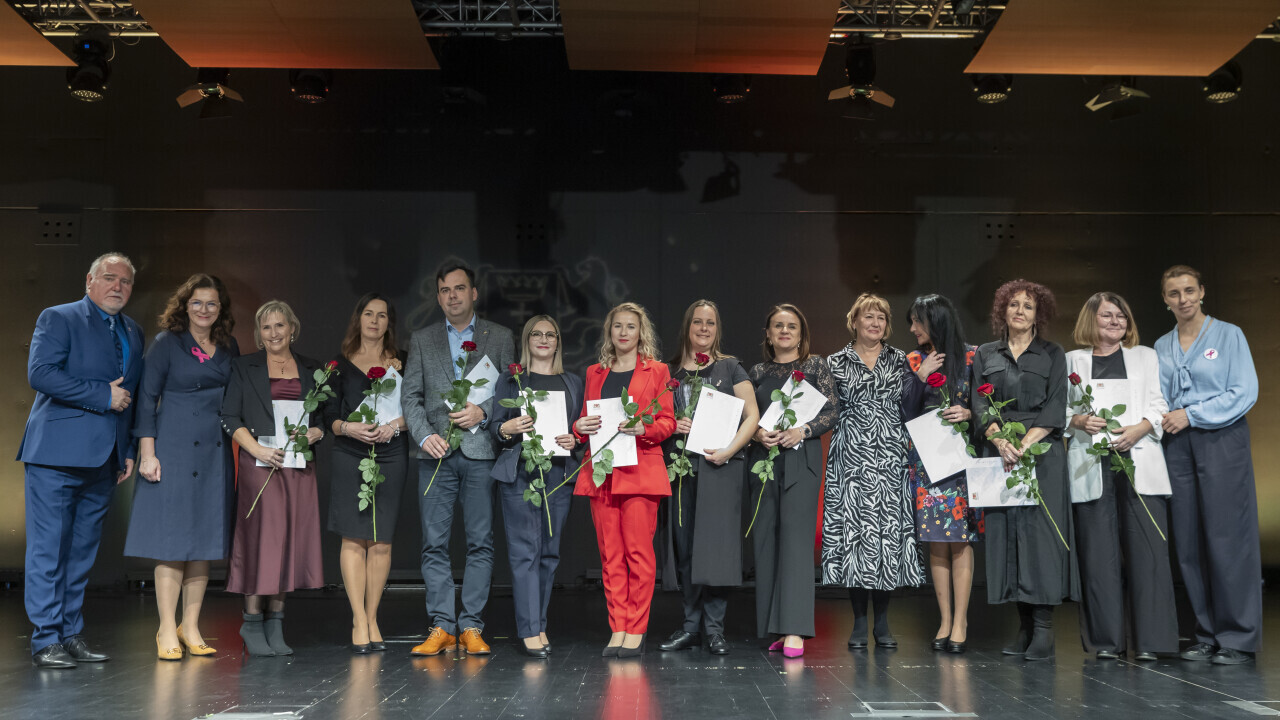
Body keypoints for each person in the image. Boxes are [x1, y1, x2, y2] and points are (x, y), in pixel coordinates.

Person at [18, 252, 144, 669]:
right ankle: (45, 639)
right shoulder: (59, 317)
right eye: (109, 278)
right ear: (89, 281)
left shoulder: (133, 331)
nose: (117, 286)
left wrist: (127, 450)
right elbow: (41, 373)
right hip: (55, 456)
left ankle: (70, 634)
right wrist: (101, 395)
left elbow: (132, 396)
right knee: (49, 550)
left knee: (81, 553)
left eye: (125, 281)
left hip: (105, 460)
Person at [402, 260, 515, 656]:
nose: (452, 296)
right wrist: (424, 435)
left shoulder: (499, 337)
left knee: (480, 542)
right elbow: (410, 397)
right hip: (435, 453)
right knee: (434, 543)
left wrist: (483, 413)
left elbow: (511, 394)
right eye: (445, 290)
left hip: (481, 452)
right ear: (438, 298)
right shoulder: (422, 339)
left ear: (474, 293)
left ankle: (471, 626)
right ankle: (441, 626)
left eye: (459, 288)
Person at [125, 274, 239, 661]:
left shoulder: (228, 345)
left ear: (220, 309)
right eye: (197, 303)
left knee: (203, 542)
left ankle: (189, 626)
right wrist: (148, 453)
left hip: (213, 453)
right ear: (185, 306)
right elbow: (146, 399)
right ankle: (164, 627)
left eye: (211, 303)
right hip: (172, 450)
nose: (204, 310)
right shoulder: (166, 343)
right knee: (172, 541)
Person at [1155, 265, 1260, 665]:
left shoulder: (1229, 335)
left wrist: (1192, 414)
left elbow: (1244, 391)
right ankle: (1205, 633)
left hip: (1221, 439)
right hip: (1177, 445)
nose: (1183, 299)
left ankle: (1238, 636)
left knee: (1228, 537)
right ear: (1165, 300)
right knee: (1189, 540)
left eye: (1189, 290)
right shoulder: (1162, 345)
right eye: (1174, 293)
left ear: (1202, 292)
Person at [1065, 291, 1176, 662]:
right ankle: (1106, 642)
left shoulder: (1145, 356)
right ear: (1091, 320)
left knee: (1149, 553)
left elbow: (1159, 404)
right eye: (1107, 315)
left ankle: (1151, 641)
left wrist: (1141, 428)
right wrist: (1078, 420)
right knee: (1098, 558)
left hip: (1140, 461)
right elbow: (1060, 411)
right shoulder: (1072, 360)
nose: (1115, 322)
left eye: (1121, 316)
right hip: (1091, 466)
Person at [972, 279, 1079, 661]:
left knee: (1041, 539)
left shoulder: (1052, 353)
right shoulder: (986, 353)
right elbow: (979, 404)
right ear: (1002, 310)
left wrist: (1024, 443)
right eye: (1014, 304)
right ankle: (1024, 626)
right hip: (1001, 453)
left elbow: (1055, 405)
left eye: (1028, 306)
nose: (1020, 311)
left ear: (1039, 315)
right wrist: (1001, 441)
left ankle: (1044, 629)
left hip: (1041, 453)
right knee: (1009, 537)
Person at [220, 300, 326, 657]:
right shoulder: (243, 366)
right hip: (260, 466)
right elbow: (229, 416)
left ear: (292, 328)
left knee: (288, 543)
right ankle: (251, 621)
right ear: (259, 333)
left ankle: (276, 622)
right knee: (260, 541)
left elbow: (323, 419)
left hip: (298, 467)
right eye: (266, 327)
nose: (274, 333)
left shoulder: (312, 369)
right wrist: (258, 450)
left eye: (280, 325)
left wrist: (315, 433)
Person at [657, 300, 760, 657]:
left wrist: (730, 450)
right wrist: (673, 425)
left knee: (716, 551)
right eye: (698, 322)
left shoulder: (730, 367)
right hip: (681, 469)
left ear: (718, 329)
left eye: (711, 323)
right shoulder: (669, 372)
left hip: (720, 467)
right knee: (685, 548)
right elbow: (656, 417)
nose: (704, 328)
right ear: (687, 327)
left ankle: (714, 630)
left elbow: (752, 416)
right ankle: (690, 627)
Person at [572, 302, 675, 657]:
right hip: (602, 472)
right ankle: (617, 626)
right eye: (618, 326)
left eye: (631, 326)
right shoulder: (595, 372)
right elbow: (585, 420)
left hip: (640, 471)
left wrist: (644, 428)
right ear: (609, 331)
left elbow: (668, 422)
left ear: (640, 332)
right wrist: (578, 426)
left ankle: (636, 627)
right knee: (610, 555)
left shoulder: (657, 370)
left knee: (638, 553)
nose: (624, 332)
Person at [823, 293, 924, 650]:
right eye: (868, 316)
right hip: (850, 456)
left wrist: (921, 378)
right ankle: (858, 621)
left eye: (881, 317)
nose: (875, 323)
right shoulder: (835, 361)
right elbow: (825, 409)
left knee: (886, 536)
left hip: (890, 455)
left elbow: (911, 404)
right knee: (855, 535)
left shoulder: (900, 359)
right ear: (854, 321)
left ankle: (882, 621)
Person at [489, 315, 584, 658]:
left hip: (559, 474)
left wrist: (575, 439)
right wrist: (509, 427)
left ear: (558, 342)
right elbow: (495, 427)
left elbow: (580, 430)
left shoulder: (572, 382)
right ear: (527, 340)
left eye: (550, 335)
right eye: (536, 334)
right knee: (525, 552)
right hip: (521, 472)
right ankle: (529, 629)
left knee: (549, 552)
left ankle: (539, 624)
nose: (544, 339)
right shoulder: (511, 379)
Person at [748, 303, 837, 658]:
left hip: (801, 459)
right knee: (766, 541)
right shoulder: (756, 372)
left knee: (796, 544)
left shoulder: (815, 366)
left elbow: (832, 411)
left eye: (792, 326)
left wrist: (803, 430)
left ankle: (795, 629)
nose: (785, 331)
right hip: (764, 462)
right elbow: (746, 416)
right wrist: (757, 433)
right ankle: (776, 628)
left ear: (801, 335)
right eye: (778, 326)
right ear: (768, 334)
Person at [324, 293, 410, 653]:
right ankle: (358, 618)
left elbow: (418, 408)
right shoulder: (338, 365)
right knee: (353, 539)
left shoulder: (403, 362)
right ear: (358, 319)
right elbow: (328, 417)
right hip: (350, 453)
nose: (375, 321)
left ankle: (373, 616)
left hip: (391, 453)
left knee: (381, 541)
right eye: (369, 314)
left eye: (382, 315)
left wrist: (395, 426)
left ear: (389, 322)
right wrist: (349, 428)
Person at [902, 294, 981, 654]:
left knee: (960, 540)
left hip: (961, 460)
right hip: (927, 460)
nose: (912, 328)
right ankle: (944, 620)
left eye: (917, 321)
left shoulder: (973, 356)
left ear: (935, 320)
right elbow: (903, 412)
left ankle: (961, 621)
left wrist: (969, 413)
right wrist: (920, 378)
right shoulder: (913, 360)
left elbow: (986, 404)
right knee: (935, 540)